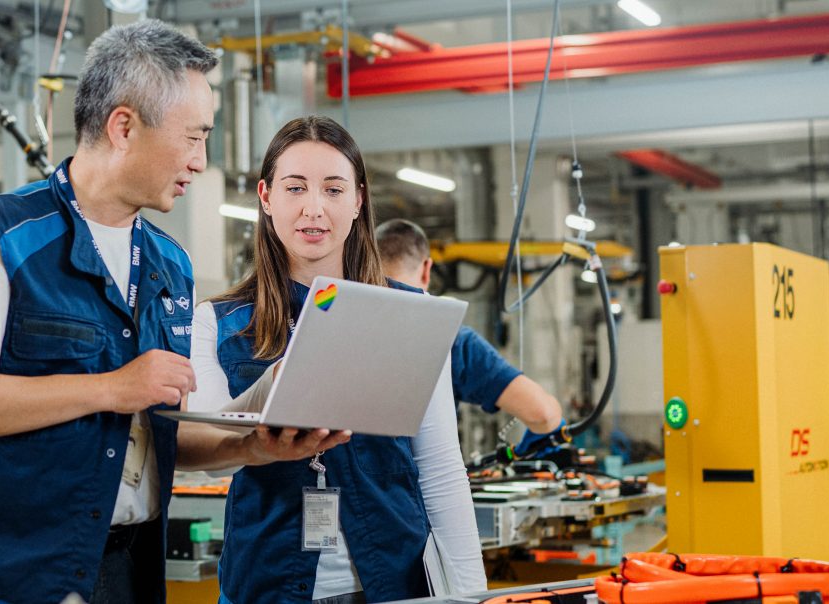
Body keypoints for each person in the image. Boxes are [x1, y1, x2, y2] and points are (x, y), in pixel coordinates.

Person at [0, 20, 273, 604]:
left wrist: (252, 446)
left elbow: (153, 437)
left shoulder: (168, 263)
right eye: (194, 136)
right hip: (4, 578)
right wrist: (109, 387)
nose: (201, 162)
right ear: (123, 126)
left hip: (127, 571)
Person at [176, 116, 487, 603]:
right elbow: (214, 454)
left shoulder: (413, 314)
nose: (313, 209)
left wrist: (471, 595)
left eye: (334, 189)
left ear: (359, 200)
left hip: (394, 583)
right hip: (267, 584)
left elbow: (441, 466)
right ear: (266, 196)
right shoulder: (217, 322)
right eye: (295, 187)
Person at [373, 219, 566, 448]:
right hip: (425, 482)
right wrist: (552, 420)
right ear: (426, 269)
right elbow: (542, 414)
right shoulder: (450, 339)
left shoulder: (344, 330)